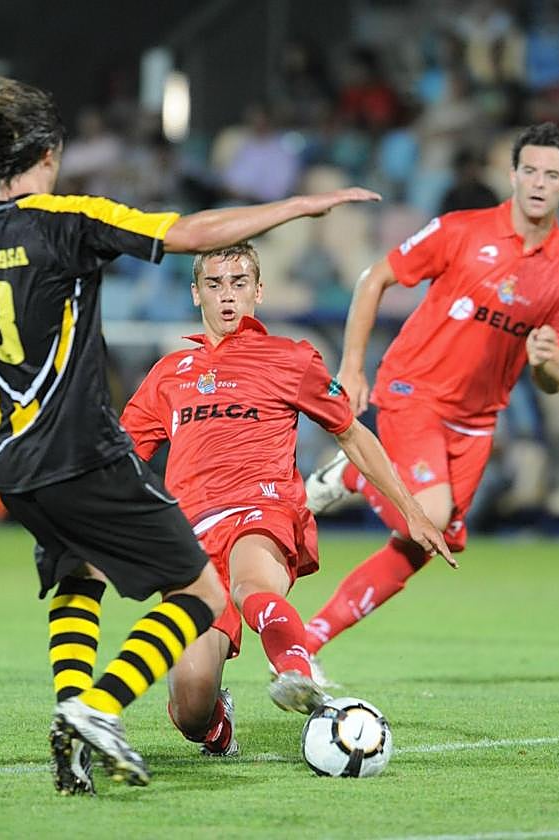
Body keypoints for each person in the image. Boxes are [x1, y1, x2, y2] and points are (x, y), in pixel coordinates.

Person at [0, 77, 380, 792]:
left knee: (78, 576)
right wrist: (300, 206)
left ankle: (70, 710)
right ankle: (98, 708)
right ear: (46, 151)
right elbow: (188, 234)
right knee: (200, 593)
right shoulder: (70, 218)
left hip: (12, 464)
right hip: (82, 451)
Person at [119, 243, 452, 758]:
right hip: (189, 537)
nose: (226, 296)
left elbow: (353, 434)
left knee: (253, 581)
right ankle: (216, 726)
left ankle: (295, 671)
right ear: (195, 294)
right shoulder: (170, 373)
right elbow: (118, 457)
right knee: (189, 706)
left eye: (237, 283)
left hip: (263, 508)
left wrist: (411, 509)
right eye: (214, 284)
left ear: (258, 290)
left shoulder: (290, 357)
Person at [301, 123, 559, 674]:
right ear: (511, 175)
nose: (538, 182)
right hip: (416, 389)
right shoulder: (463, 230)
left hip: (478, 419)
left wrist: (544, 363)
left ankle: (308, 644)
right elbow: (373, 278)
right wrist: (352, 365)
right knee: (428, 515)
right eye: (529, 170)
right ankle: (357, 474)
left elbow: (555, 376)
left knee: (428, 543)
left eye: (551, 174)